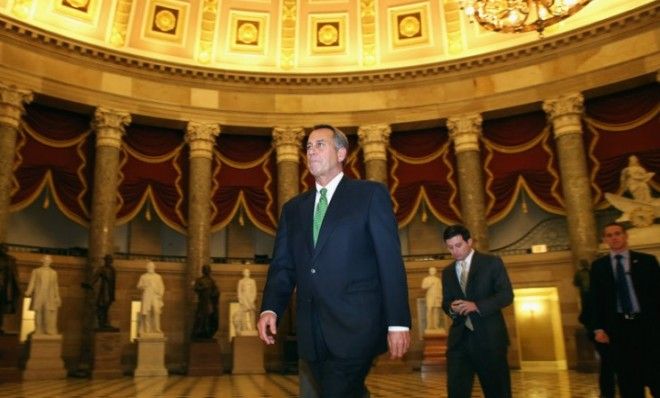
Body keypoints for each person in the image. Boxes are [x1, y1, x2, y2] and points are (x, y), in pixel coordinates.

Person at [257, 124, 411, 398]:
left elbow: (389, 262)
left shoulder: (369, 195)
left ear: (341, 153)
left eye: (319, 145)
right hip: (312, 332)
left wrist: (398, 322)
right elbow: (283, 265)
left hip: (356, 325)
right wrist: (270, 308)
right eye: (308, 147)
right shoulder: (293, 209)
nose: (311, 151)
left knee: (338, 391)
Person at [441, 225, 513, 398]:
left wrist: (477, 306)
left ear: (469, 242)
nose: (454, 251)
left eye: (458, 245)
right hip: (459, 342)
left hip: (490, 341)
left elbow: (506, 295)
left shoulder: (492, 262)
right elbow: (446, 302)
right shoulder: (447, 272)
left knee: (498, 392)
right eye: (450, 247)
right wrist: (451, 308)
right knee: (456, 392)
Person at [589, 222, 660, 398]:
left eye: (617, 233)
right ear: (605, 240)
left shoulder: (647, 261)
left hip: (647, 327)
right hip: (619, 330)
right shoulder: (599, 267)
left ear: (625, 236)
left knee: (656, 374)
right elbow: (594, 300)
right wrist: (598, 328)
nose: (614, 238)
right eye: (609, 235)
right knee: (628, 380)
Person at [575, 259, 615, 398]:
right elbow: (585, 315)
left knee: (608, 366)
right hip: (600, 332)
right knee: (608, 366)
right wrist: (596, 329)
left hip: (609, 331)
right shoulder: (593, 293)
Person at [25, 255, 61, 335]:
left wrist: (57, 296)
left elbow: (55, 286)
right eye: (45, 260)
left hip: (49, 295)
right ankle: (38, 329)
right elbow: (32, 282)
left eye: (48, 260)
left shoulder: (54, 273)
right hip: (39, 294)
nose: (47, 261)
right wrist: (29, 291)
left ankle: (49, 329)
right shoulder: (36, 271)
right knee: (38, 313)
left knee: (48, 313)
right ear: (42, 260)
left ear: (51, 262)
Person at [87, 254, 116, 330]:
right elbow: (95, 277)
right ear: (105, 260)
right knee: (102, 306)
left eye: (110, 260)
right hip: (104, 290)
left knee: (106, 307)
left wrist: (113, 294)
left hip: (110, 291)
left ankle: (104, 323)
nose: (109, 261)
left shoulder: (113, 269)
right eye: (108, 260)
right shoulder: (102, 269)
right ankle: (102, 323)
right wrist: (90, 284)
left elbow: (113, 282)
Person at [191, 264, 219, 340]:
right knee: (201, 317)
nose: (207, 271)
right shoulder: (199, 280)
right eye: (205, 269)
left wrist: (214, 294)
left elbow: (216, 291)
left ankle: (208, 333)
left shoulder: (212, 281)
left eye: (208, 269)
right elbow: (195, 288)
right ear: (203, 271)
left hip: (210, 302)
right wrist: (203, 287)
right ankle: (200, 332)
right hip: (202, 302)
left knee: (210, 317)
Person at [137, 260, 165, 335]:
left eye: (151, 266)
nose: (150, 267)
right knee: (147, 313)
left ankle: (157, 328)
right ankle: (147, 329)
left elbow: (162, 287)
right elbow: (139, 286)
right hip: (147, 296)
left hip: (155, 296)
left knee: (156, 311)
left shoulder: (158, 277)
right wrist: (144, 285)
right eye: (149, 266)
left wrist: (160, 295)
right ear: (147, 267)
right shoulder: (143, 276)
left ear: (154, 267)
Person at [0, 244, 20, 334]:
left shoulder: (10, 260)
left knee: (1, 309)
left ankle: (0, 326)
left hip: (4, 287)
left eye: (5, 249)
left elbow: (14, 275)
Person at [236, 268, 257, 334]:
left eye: (248, 272)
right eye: (245, 272)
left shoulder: (252, 281)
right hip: (244, 298)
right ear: (243, 273)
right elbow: (239, 291)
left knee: (252, 313)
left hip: (250, 298)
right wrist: (240, 299)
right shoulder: (241, 281)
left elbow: (254, 291)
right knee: (243, 314)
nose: (247, 273)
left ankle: (253, 327)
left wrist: (252, 299)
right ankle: (244, 328)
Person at [422, 266, 442, 331]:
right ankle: (429, 326)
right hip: (430, 297)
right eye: (431, 271)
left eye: (433, 271)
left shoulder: (438, 280)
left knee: (436, 311)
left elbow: (441, 289)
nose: (432, 272)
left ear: (435, 272)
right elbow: (423, 287)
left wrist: (440, 297)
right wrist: (429, 285)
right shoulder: (426, 279)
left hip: (437, 297)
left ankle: (436, 326)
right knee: (429, 311)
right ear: (429, 271)